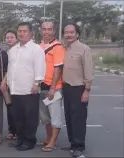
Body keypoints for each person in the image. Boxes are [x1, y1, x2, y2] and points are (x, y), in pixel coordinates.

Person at [5, 22, 46, 151]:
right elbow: (10, 68)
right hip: (15, 89)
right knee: (17, 117)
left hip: (29, 90)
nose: (21, 33)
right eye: (19, 31)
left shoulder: (36, 49)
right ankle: (20, 139)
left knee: (30, 117)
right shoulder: (13, 50)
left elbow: (40, 67)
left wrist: (36, 83)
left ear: (30, 33)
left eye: (24, 31)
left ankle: (29, 141)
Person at [61, 23, 93, 157]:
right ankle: (73, 143)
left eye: (71, 32)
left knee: (78, 118)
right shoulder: (64, 49)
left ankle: (79, 145)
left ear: (77, 34)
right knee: (68, 117)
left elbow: (88, 71)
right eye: (66, 32)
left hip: (79, 88)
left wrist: (87, 90)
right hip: (66, 88)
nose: (68, 35)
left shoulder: (84, 49)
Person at [37, 20, 66, 152]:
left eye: (49, 29)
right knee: (45, 118)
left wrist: (53, 88)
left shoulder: (58, 47)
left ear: (54, 31)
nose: (46, 32)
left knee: (55, 117)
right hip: (41, 87)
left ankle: (53, 142)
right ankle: (49, 138)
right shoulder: (39, 46)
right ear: (40, 30)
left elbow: (58, 69)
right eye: (44, 29)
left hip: (53, 87)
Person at [3, 29, 18, 140]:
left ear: (16, 38)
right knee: (9, 107)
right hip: (7, 85)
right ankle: (11, 130)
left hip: (18, 85)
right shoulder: (6, 52)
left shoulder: (20, 50)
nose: (9, 39)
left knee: (17, 108)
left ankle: (18, 131)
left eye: (12, 37)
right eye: (7, 37)